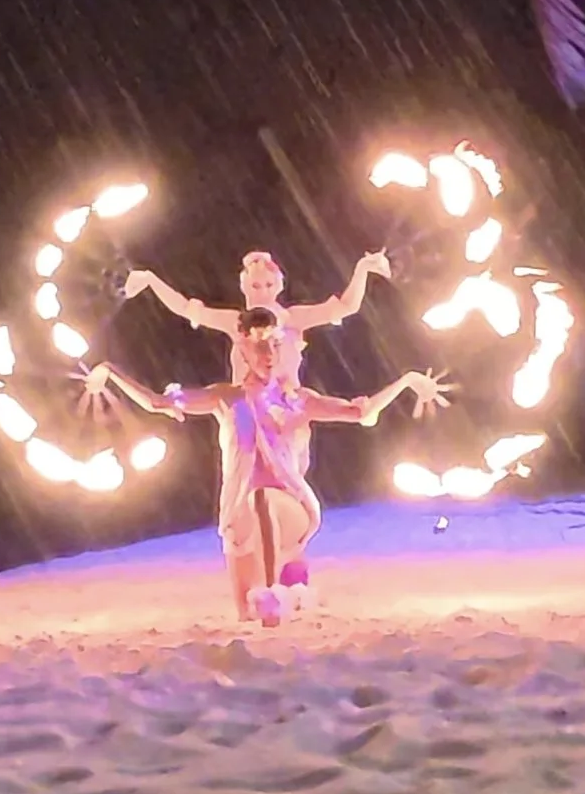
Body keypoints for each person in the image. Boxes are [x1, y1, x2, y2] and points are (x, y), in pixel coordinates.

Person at [82, 311, 449, 625]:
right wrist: (110, 372)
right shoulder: (226, 398)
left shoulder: (298, 400)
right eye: (259, 346)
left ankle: (278, 587)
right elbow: (157, 402)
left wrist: (407, 381)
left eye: (273, 345)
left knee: (265, 502)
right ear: (243, 349)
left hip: (288, 505)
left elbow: (360, 412)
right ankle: (287, 589)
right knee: (246, 612)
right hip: (238, 513)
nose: (268, 353)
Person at [122, 244, 391, 380]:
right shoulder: (235, 321)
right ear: (243, 286)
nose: (262, 290)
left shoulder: (292, 318)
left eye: (268, 285)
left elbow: (346, 306)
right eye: (255, 285)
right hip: (245, 405)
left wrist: (363, 269)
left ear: (279, 286)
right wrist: (149, 279)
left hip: (287, 407)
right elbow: (183, 307)